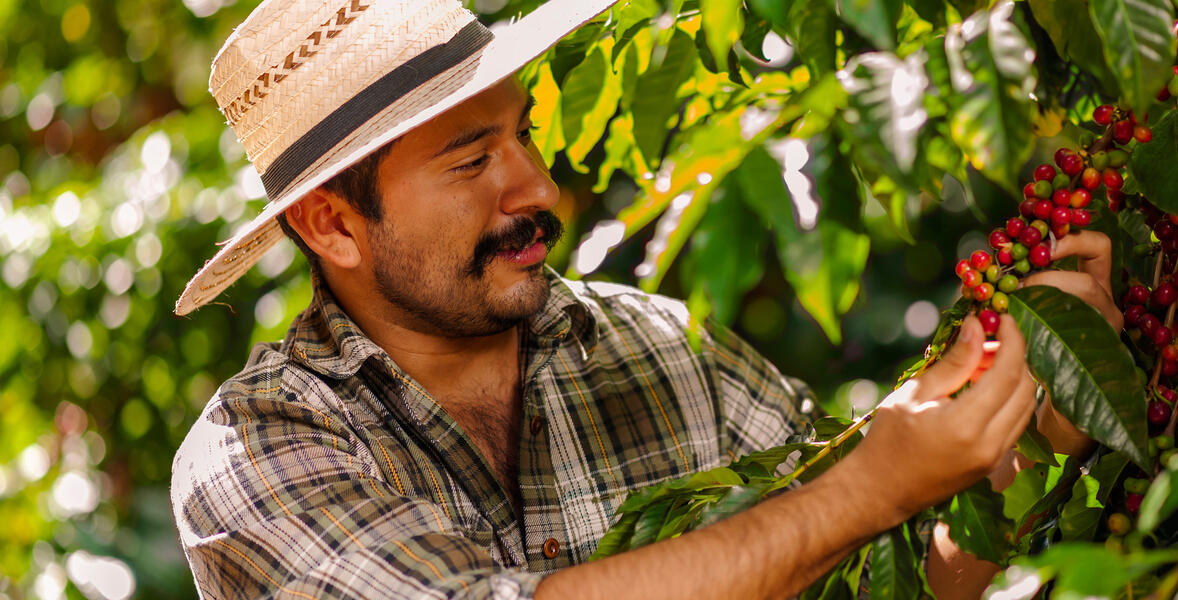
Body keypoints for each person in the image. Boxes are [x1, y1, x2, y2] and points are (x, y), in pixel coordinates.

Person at [169, 0, 1121, 598]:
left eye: (522, 138)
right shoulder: (257, 456)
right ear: (333, 227)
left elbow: (882, 574)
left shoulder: (664, 345)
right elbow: (853, 506)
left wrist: (1028, 442)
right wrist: (872, 484)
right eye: (470, 163)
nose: (537, 189)